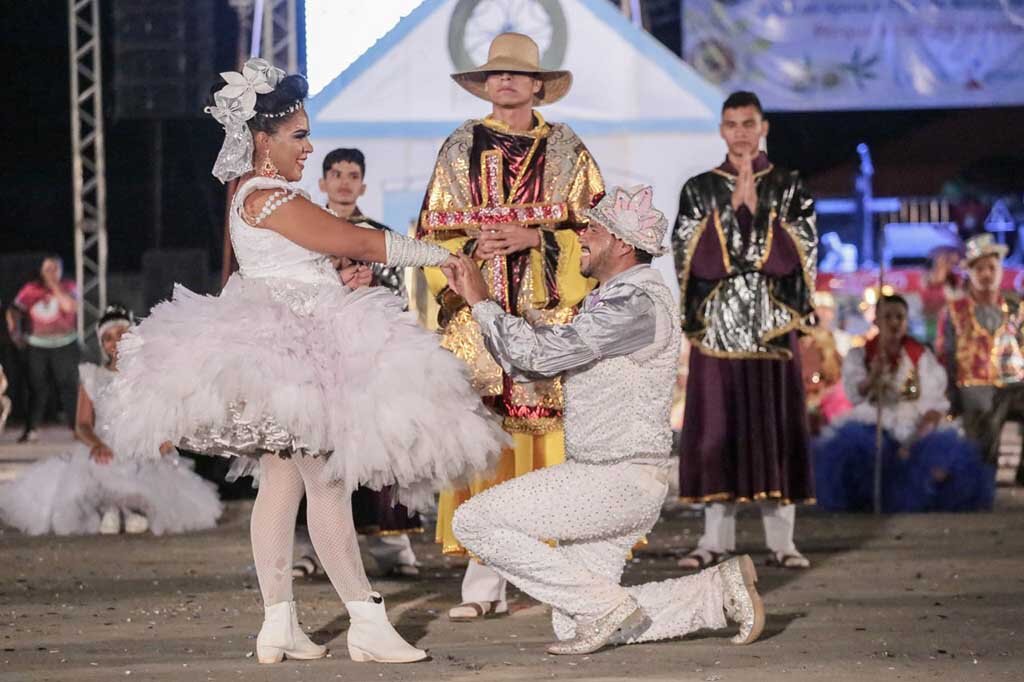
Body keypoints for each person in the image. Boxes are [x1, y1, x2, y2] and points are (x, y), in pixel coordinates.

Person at [102, 59, 507, 665]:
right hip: (298, 354)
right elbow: (358, 240)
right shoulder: (266, 195)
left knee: (283, 484)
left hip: (296, 345)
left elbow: (326, 256)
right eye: (298, 135)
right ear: (262, 140)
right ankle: (366, 623)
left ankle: (279, 625)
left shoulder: (254, 194)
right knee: (329, 484)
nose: (309, 146)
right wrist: (442, 255)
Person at [446, 185, 765, 655]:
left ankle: (603, 606)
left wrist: (480, 300)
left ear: (622, 243)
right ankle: (716, 594)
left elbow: (536, 356)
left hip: (613, 479)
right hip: (613, 478)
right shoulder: (618, 299)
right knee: (571, 620)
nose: (581, 237)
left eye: (593, 228)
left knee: (473, 522)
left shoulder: (633, 305)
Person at [417, 32, 604, 621]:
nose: (506, 82)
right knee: (487, 446)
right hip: (478, 322)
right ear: (485, 83)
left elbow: (600, 236)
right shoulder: (458, 147)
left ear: (537, 85)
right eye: (496, 74)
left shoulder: (569, 151)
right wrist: (470, 254)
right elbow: (431, 237)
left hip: (548, 323)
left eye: (517, 74)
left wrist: (539, 239)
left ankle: (556, 581)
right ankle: (482, 583)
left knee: (546, 444)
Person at [672, 91, 817, 571]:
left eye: (748, 123)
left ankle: (784, 542)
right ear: (721, 130)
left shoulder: (791, 185)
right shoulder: (699, 188)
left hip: (774, 330)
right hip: (716, 330)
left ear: (764, 127)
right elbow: (690, 258)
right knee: (717, 431)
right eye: (731, 123)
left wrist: (754, 216)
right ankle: (715, 540)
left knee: (776, 426)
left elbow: (803, 255)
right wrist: (734, 211)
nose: (740, 132)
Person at [292, 148, 422, 580]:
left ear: (363, 185)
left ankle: (392, 547)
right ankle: (310, 550)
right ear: (323, 183)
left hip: (366, 361)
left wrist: (369, 287)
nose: (344, 182)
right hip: (317, 358)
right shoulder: (302, 232)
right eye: (336, 174)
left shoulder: (379, 236)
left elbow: (400, 299)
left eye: (352, 175)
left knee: (377, 452)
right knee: (314, 450)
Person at [0, 306, 222, 535]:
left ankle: (130, 512)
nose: (115, 343)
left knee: (150, 477)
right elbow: (82, 424)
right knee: (96, 473)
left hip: (139, 445)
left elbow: (159, 416)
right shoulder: (92, 376)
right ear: (102, 344)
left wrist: (162, 439)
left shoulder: (148, 375)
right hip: (104, 443)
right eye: (108, 338)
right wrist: (96, 444)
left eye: (121, 335)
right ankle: (111, 511)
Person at [814, 294, 995, 512]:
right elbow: (855, 394)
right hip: (874, 422)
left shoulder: (921, 357)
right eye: (887, 316)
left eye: (899, 317)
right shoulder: (859, 355)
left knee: (944, 467)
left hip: (915, 425)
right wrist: (874, 375)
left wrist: (912, 443)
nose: (894, 322)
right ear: (876, 321)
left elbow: (935, 408)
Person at [936, 234, 1024, 469]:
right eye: (980, 269)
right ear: (969, 273)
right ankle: (982, 476)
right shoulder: (955, 311)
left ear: (1001, 270)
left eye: (992, 268)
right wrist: (950, 395)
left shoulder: (1015, 306)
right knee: (983, 416)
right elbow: (946, 356)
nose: (987, 274)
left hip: (1014, 382)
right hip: (973, 382)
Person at [6, 256, 80, 442]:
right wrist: (16, 334)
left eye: (55, 268)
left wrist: (55, 286)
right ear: (41, 270)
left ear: (61, 270)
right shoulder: (30, 289)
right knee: (36, 388)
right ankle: (31, 430)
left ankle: (78, 428)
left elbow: (70, 307)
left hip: (64, 343)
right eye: (47, 268)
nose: (51, 272)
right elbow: (13, 310)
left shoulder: (69, 286)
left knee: (68, 387)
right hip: (37, 345)